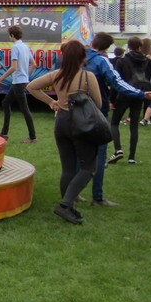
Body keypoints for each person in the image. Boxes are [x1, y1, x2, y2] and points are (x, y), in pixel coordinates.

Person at [26, 40, 102, 225]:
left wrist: (51, 102)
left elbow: (31, 87)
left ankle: (68, 208)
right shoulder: (87, 76)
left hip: (61, 122)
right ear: (82, 57)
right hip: (81, 124)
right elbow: (98, 104)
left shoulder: (57, 75)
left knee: (68, 168)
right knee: (88, 167)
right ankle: (66, 205)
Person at [83, 32, 151, 207]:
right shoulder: (101, 61)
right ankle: (97, 197)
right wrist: (141, 93)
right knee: (100, 153)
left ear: (92, 42)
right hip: (97, 111)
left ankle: (73, 194)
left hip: (75, 110)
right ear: (106, 48)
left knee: (80, 153)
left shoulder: (77, 59)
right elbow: (117, 82)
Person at [109, 37, 151, 165]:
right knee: (134, 126)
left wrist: (112, 99)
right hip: (140, 94)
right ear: (140, 47)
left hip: (124, 94)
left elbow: (117, 82)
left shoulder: (122, 61)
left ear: (128, 46)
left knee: (114, 123)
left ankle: (118, 149)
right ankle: (131, 157)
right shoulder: (146, 61)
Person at [0, 25, 37, 143]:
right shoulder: (25, 47)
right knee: (5, 103)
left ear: (12, 35)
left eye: (9, 34)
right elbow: (34, 64)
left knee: (25, 109)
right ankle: (4, 132)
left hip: (18, 82)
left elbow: (13, 67)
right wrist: (26, 75)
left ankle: (33, 137)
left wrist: (0, 78)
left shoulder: (15, 48)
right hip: (20, 82)